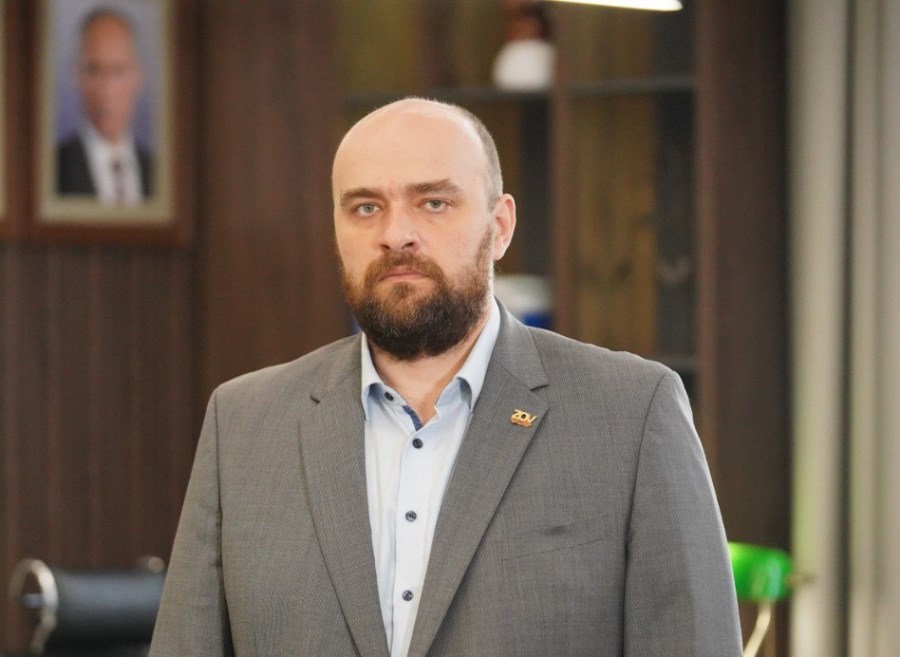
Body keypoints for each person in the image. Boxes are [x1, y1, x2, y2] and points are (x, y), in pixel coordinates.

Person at [150, 98, 742, 657]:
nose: (395, 233)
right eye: (365, 207)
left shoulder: (631, 413)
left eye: (433, 202)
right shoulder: (243, 423)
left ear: (500, 225)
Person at [56, 7, 153, 204]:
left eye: (118, 71)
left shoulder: (160, 175)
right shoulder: (53, 170)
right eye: (94, 70)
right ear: (76, 76)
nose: (106, 89)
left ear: (138, 77)